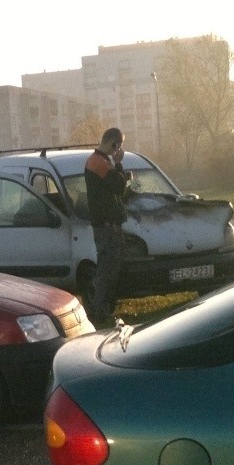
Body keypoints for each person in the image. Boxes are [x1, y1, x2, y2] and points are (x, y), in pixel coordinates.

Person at [84, 128, 133, 323]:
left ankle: (102, 309)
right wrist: (119, 164)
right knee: (106, 271)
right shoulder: (101, 163)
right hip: (107, 228)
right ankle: (99, 312)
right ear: (113, 143)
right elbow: (119, 187)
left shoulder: (96, 161)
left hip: (106, 226)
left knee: (108, 271)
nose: (119, 149)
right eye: (119, 145)